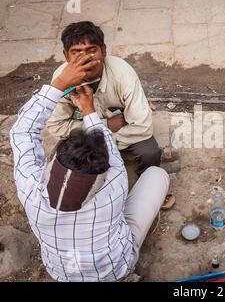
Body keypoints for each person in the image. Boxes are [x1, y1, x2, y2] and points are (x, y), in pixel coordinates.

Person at [10, 53, 169, 281]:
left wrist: (58, 84)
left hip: (61, 274)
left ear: (54, 164)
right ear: (100, 176)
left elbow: (21, 131)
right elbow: (113, 153)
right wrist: (89, 110)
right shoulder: (115, 186)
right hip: (116, 271)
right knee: (156, 175)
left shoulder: (30, 191)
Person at [46, 21, 160, 176]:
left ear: (103, 50)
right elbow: (56, 126)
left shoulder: (122, 73)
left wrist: (105, 143)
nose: (85, 59)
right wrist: (106, 125)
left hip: (122, 133)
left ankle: (146, 184)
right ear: (66, 55)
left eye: (91, 50)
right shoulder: (61, 81)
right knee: (60, 161)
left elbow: (142, 127)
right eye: (76, 52)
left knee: (150, 152)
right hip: (91, 137)